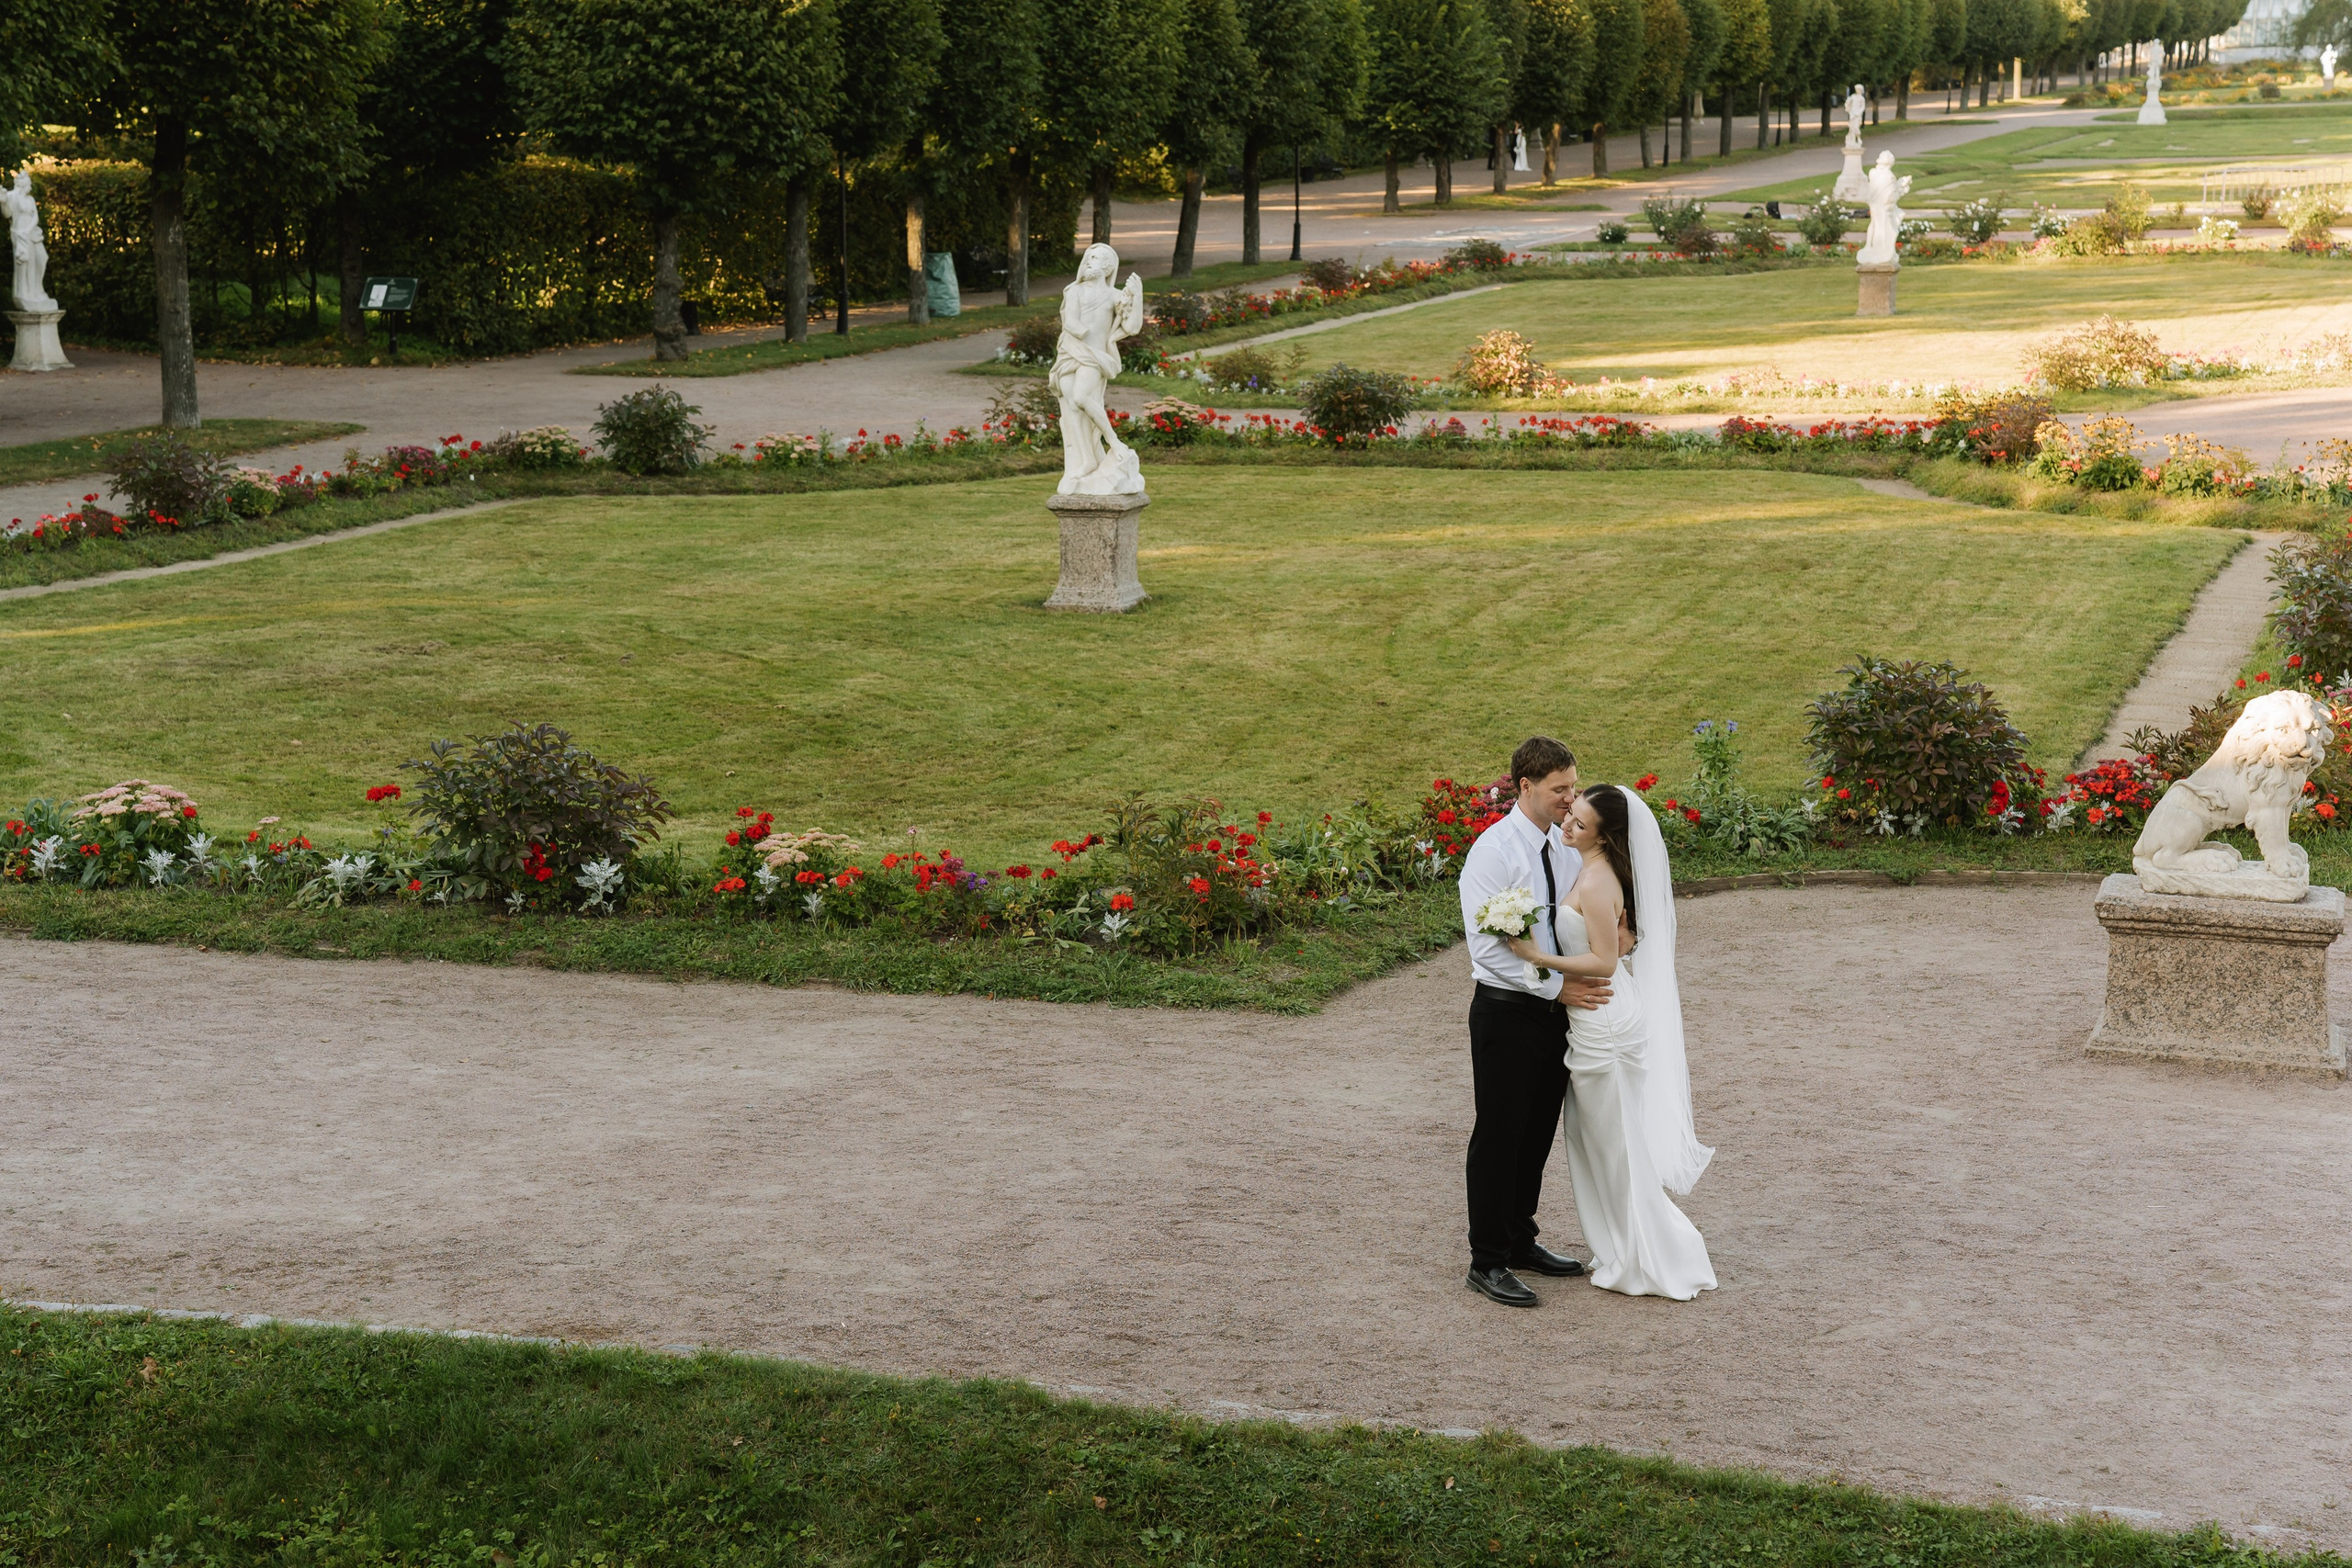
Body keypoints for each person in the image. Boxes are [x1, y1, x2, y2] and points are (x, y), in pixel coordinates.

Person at [1507, 784, 1716, 1301]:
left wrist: (1537, 958)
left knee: (1615, 1145)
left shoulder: (1598, 880)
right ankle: (1623, 1247)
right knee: (1599, 1142)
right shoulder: (1592, 868)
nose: (1567, 826)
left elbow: (1602, 962)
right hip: (1599, 1015)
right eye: (1570, 815)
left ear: (1606, 835)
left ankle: (1650, 1256)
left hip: (1604, 1020)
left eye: (1580, 823)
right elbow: (1619, 944)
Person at [1457, 736, 1611, 1308]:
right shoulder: (1493, 853)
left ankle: (1521, 1240)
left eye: (1574, 787)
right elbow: (1486, 948)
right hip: (1507, 1012)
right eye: (1559, 790)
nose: (1571, 800)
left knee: (1538, 1131)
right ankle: (1487, 1260)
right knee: (1500, 1136)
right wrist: (1555, 984)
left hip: (1557, 1015)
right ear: (1524, 786)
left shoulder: (1566, 844)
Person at [1049, 242, 1145, 495]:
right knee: (1072, 410)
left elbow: (1132, 326)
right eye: (1088, 258)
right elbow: (1069, 318)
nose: (1089, 262)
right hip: (1070, 351)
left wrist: (1137, 296)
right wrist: (1078, 330)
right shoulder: (1074, 291)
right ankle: (1086, 461)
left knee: (1082, 398)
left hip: (1095, 356)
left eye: (1096, 258)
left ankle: (1113, 441)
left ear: (1108, 266)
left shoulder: (1114, 296)